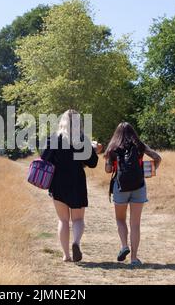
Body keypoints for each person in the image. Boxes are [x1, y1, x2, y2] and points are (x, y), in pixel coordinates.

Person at [41, 109, 102, 263]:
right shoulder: (82, 139)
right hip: (77, 182)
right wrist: (94, 150)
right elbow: (93, 163)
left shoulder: (54, 138)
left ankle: (66, 255)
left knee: (63, 220)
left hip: (58, 183)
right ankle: (76, 242)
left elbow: (44, 158)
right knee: (78, 219)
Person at [104, 122, 161, 267]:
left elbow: (108, 170)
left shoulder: (113, 147)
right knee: (135, 223)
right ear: (133, 132)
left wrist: (110, 161)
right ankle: (134, 258)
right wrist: (150, 170)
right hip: (139, 186)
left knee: (120, 219)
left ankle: (124, 246)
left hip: (120, 187)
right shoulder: (139, 145)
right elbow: (157, 157)